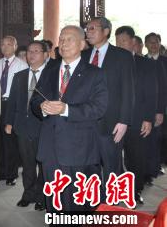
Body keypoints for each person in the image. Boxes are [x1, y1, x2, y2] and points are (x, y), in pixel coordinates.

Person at [30, 25, 108, 212]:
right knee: (54, 200)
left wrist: (66, 109)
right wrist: (41, 107)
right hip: (49, 148)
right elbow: (35, 100)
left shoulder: (94, 74)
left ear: (82, 44)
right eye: (61, 39)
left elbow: (99, 108)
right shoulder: (49, 70)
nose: (63, 43)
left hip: (78, 148)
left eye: (69, 39)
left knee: (76, 201)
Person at [83, 17, 134, 193]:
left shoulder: (122, 56)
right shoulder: (82, 55)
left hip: (112, 122)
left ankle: (109, 208)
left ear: (106, 31)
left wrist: (124, 121)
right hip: (85, 122)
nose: (88, 32)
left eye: (92, 28)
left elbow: (128, 91)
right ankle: (92, 202)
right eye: (87, 29)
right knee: (89, 167)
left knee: (111, 167)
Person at [5, 41, 48, 211]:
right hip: (23, 126)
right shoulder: (20, 75)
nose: (32, 54)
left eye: (37, 51)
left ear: (45, 54)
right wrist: (9, 122)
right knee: (28, 164)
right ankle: (28, 194)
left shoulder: (51, 75)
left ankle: (41, 197)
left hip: (43, 127)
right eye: (30, 51)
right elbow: (13, 102)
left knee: (43, 165)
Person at [115, 26, 156, 204]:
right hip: (114, 121)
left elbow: (151, 93)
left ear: (133, 42)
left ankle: (135, 190)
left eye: (123, 41)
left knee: (135, 158)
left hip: (137, 119)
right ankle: (115, 190)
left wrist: (148, 118)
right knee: (113, 158)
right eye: (117, 42)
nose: (120, 45)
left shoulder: (145, 64)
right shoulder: (112, 63)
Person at [0, 35, 28, 186]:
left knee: (10, 140)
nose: (5, 47)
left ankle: (11, 173)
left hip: (12, 105)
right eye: (3, 44)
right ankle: (0, 171)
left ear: (15, 46)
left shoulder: (22, 65)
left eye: (9, 44)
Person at [144, 32, 167, 182]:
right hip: (144, 107)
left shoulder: (165, 61)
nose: (153, 44)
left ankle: (156, 166)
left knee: (160, 138)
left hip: (163, 107)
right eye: (150, 42)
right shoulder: (140, 61)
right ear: (145, 44)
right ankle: (148, 168)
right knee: (147, 139)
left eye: (156, 42)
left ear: (160, 43)